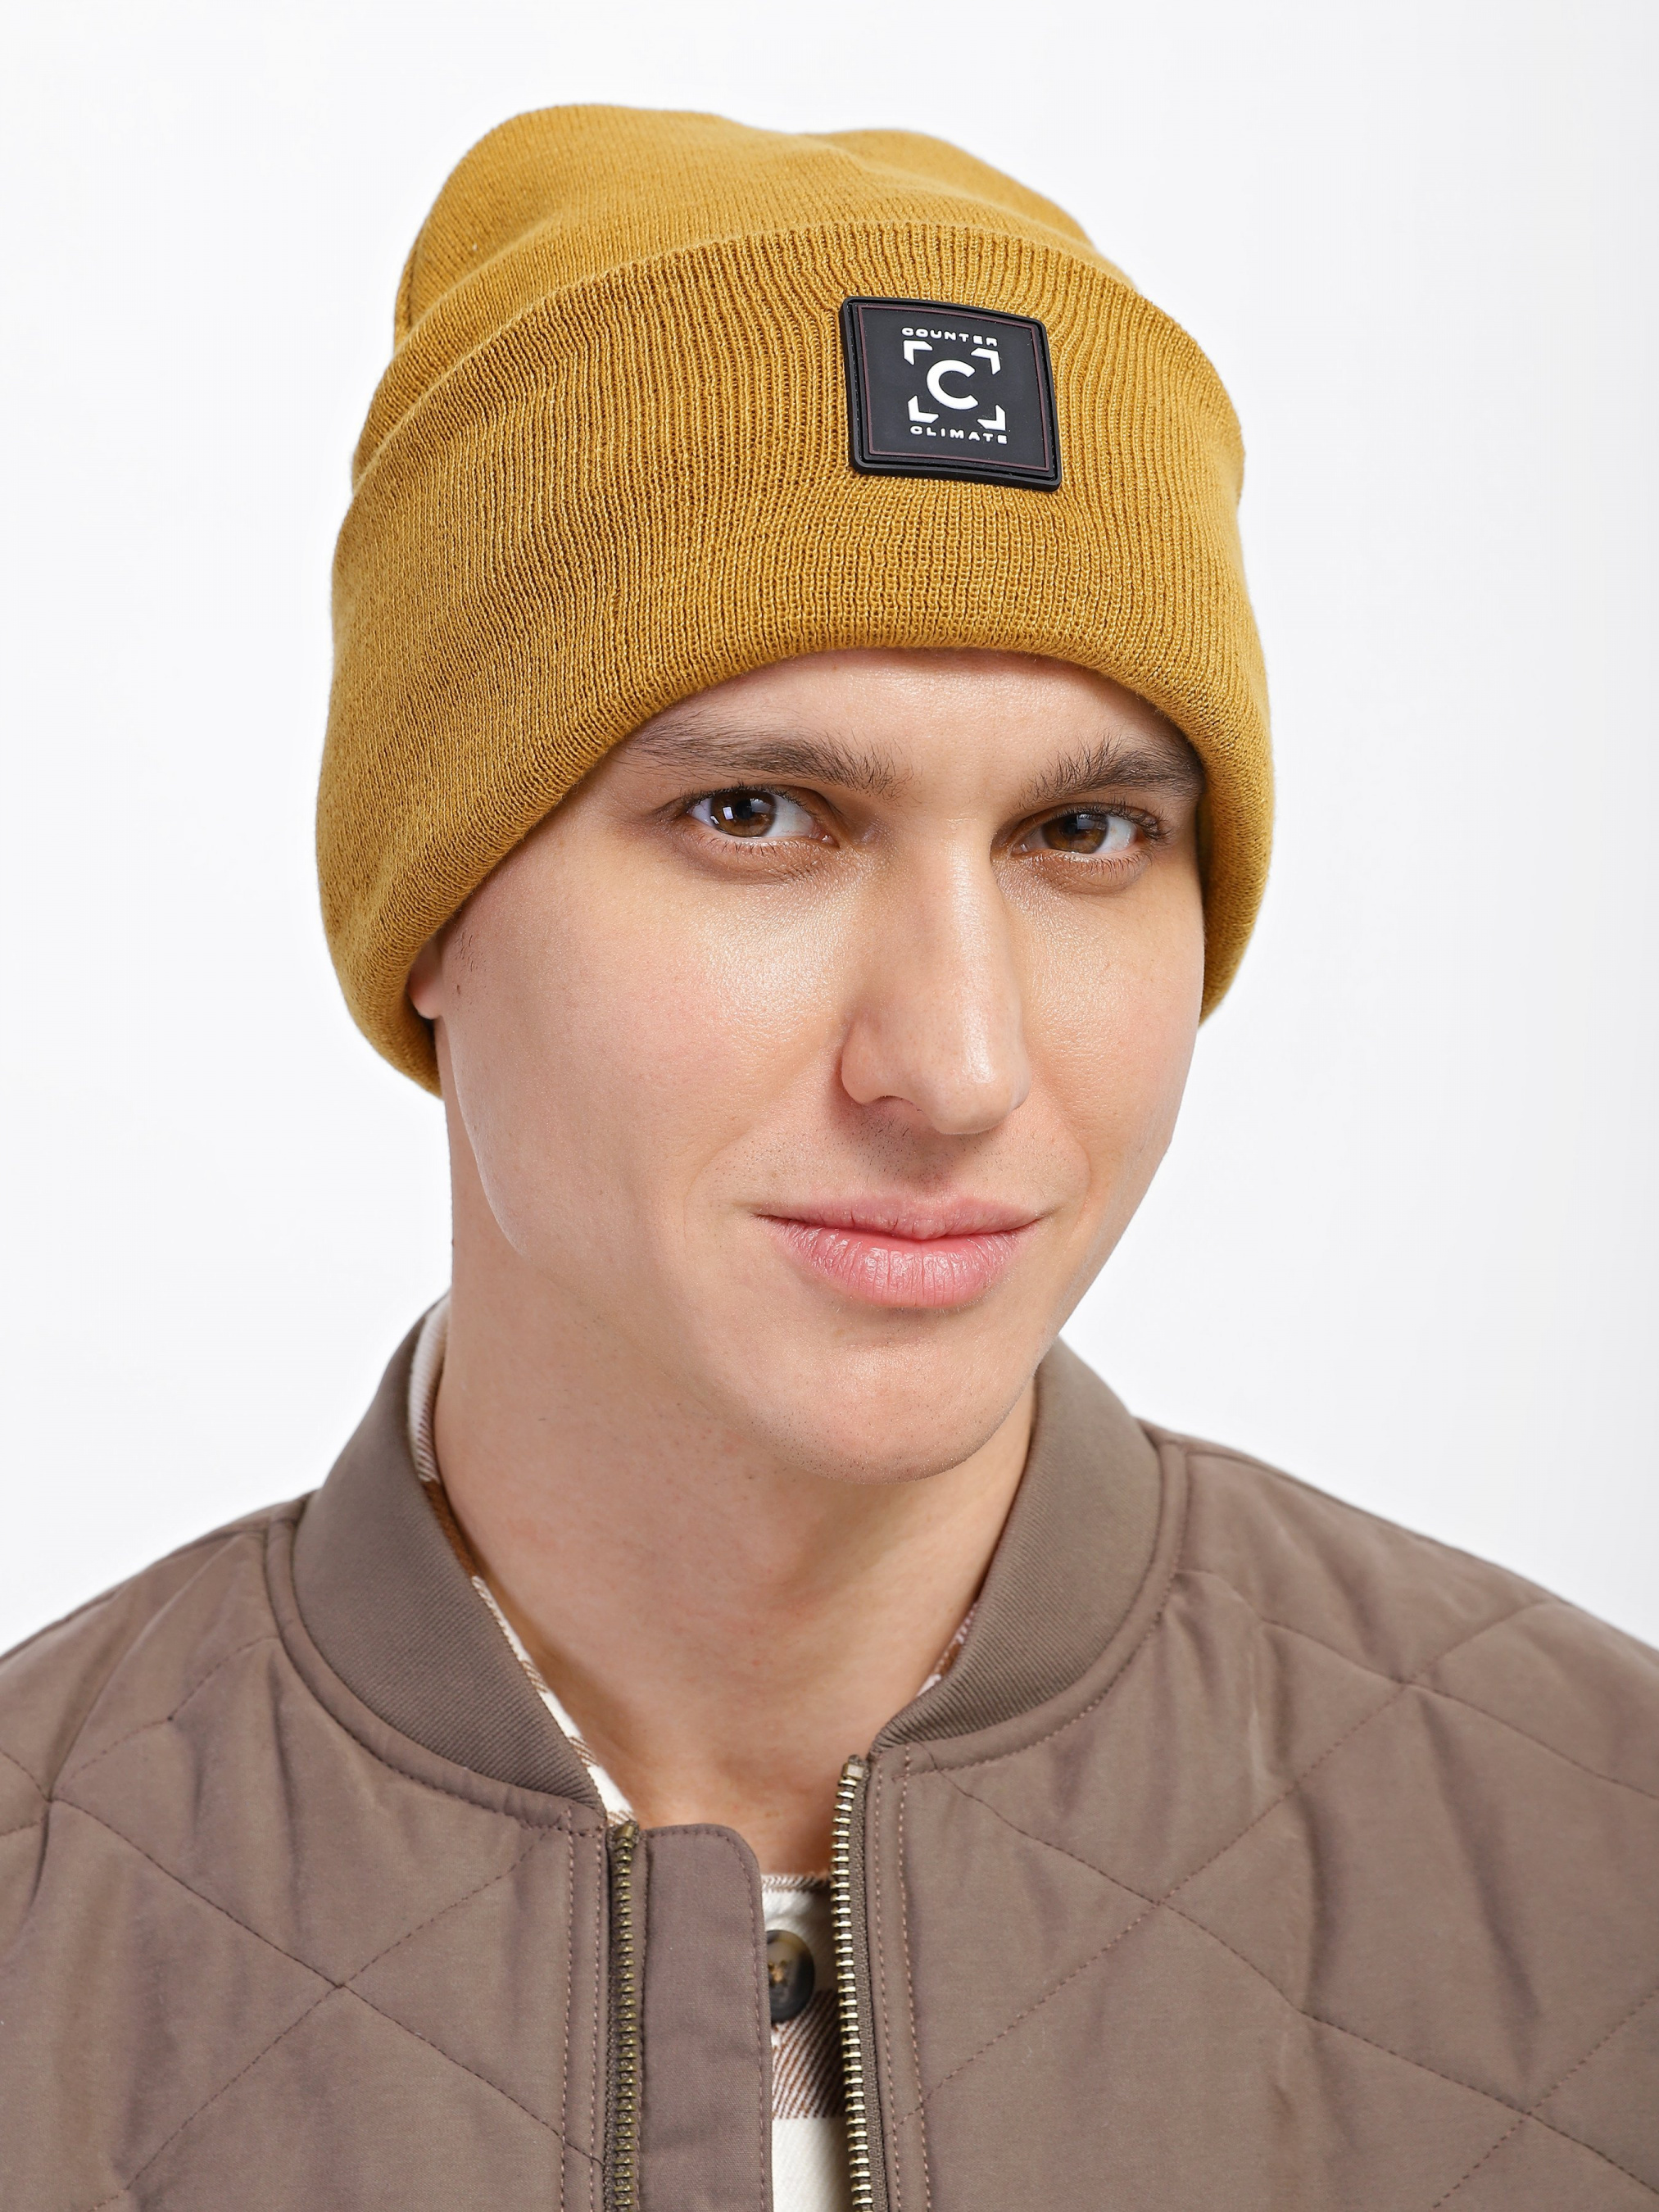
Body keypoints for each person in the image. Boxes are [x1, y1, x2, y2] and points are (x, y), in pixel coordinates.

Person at [2, 106, 1654, 2212]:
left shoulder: (1603, 1857)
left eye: (1082, 834)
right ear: (429, 912)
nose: (954, 1064)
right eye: (757, 817)